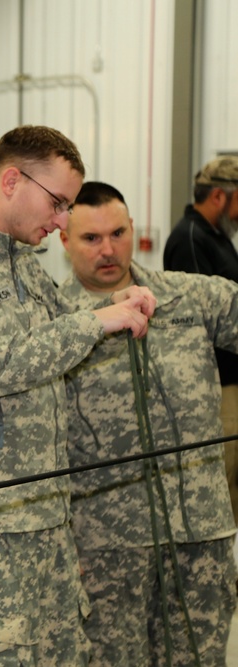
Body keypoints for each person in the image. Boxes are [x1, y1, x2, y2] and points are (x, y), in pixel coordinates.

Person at [0, 125, 155, 665]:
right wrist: (95, 324)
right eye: (58, 203)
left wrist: (119, 305)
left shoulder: (22, 262)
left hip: (46, 517)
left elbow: (59, 331)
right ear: (12, 179)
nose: (62, 221)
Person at [61, 181, 238, 665]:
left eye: (118, 233)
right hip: (105, 546)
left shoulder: (187, 298)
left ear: (133, 229)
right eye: (90, 238)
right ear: (63, 241)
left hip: (199, 535)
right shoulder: (52, 324)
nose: (108, 249)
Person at [163, 155, 238, 527]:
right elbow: (197, 325)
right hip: (216, 384)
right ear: (221, 198)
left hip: (231, 380)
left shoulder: (217, 237)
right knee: (223, 482)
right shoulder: (190, 239)